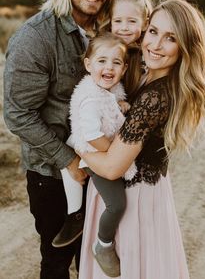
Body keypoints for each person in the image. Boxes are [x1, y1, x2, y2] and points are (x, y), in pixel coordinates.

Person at [3, 0, 128, 279]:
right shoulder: (35, 38)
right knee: (58, 263)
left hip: (108, 166)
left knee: (104, 259)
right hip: (54, 175)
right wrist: (69, 160)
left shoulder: (113, 30)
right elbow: (17, 113)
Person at [78, 0, 205, 279]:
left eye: (170, 38)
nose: (155, 44)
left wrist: (76, 144)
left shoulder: (155, 96)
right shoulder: (144, 76)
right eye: (153, 31)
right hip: (138, 195)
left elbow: (112, 167)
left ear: (184, 47)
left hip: (134, 203)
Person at [55, 33, 139, 277]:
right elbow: (92, 136)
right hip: (94, 154)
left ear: (124, 68)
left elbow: (113, 104)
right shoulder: (91, 99)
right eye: (102, 61)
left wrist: (120, 103)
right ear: (88, 64)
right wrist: (115, 154)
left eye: (116, 63)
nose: (108, 68)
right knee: (117, 204)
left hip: (102, 150)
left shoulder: (109, 90)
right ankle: (103, 244)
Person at [110, 0, 153, 99]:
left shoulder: (148, 56)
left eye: (132, 21)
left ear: (145, 24)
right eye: (118, 21)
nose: (124, 27)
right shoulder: (104, 49)